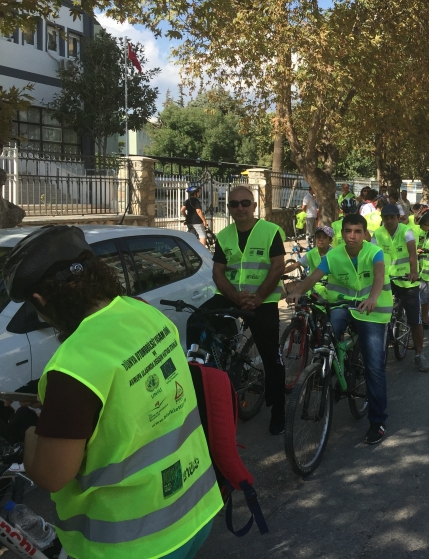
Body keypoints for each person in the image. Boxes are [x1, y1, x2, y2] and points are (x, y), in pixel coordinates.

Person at [2, 225, 222, 558]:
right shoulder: (143, 312)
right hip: (195, 511)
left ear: (41, 299)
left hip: (134, 543)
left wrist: (25, 429)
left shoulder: (74, 365)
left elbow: (51, 474)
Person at [188, 186, 287, 434]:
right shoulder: (225, 235)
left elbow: (277, 268)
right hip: (232, 297)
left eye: (245, 203)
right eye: (234, 204)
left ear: (254, 206)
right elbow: (218, 272)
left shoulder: (271, 231)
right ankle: (217, 375)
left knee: (271, 356)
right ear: (229, 208)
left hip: (262, 301)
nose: (240, 208)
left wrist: (257, 298)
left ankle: (279, 408)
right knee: (196, 321)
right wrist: (235, 297)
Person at [286, 214, 391, 445]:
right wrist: (297, 291)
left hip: (372, 310)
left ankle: (378, 421)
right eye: (348, 231)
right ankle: (325, 370)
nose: (352, 236)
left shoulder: (374, 253)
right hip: (343, 305)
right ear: (342, 234)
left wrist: (373, 298)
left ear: (365, 234)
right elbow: (313, 277)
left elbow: (380, 275)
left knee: (374, 367)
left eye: (357, 231)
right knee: (326, 339)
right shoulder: (333, 255)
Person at [373, 203, 429, 372]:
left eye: (392, 218)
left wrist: (414, 272)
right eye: (386, 218)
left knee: (415, 319)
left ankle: (419, 354)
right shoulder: (377, 233)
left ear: (399, 218)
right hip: (385, 280)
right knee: (375, 313)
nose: (389, 221)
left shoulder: (407, 231)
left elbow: (412, 253)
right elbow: (372, 255)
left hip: (406, 280)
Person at [284, 226, 333, 299]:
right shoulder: (311, 253)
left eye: (325, 237)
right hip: (313, 291)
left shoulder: (334, 254)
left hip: (330, 291)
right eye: (318, 237)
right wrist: (280, 272)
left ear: (330, 240)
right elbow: (296, 265)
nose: (321, 239)